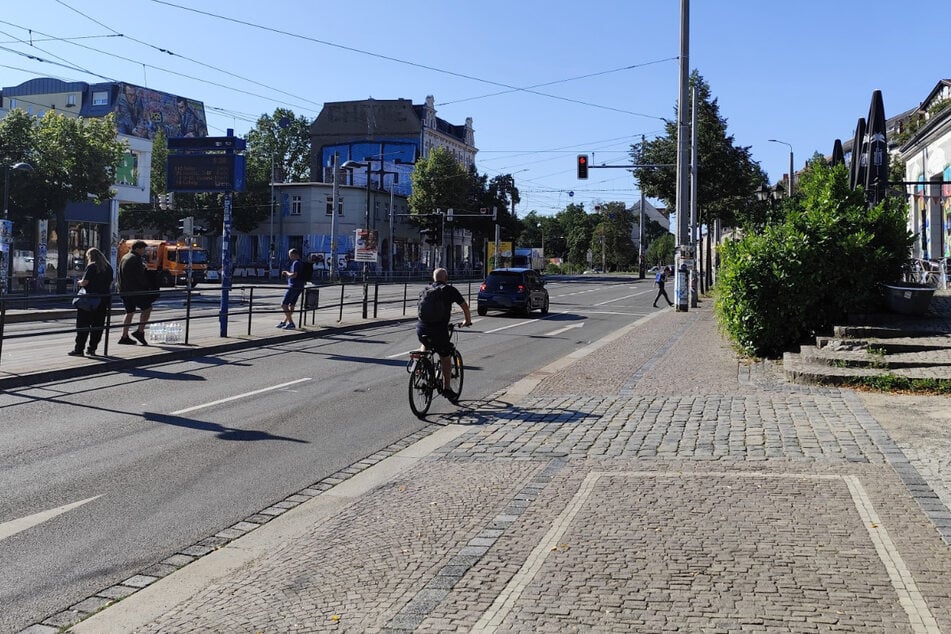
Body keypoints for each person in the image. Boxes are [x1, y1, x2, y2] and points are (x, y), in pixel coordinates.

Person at [416, 267, 472, 400]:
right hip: (439, 330)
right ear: (446, 279)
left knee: (425, 342)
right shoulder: (449, 290)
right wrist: (467, 321)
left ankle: (421, 366)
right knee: (445, 356)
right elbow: (464, 306)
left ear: (433, 278)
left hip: (421, 328)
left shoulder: (425, 290)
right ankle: (447, 387)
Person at [69, 248, 113, 357]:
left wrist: (78, 282)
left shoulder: (92, 266)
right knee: (98, 325)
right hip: (103, 300)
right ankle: (92, 349)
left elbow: (85, 282)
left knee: (83, 325)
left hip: (89, 300)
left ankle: (79, 349)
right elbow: (111, 282)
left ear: (90, 256)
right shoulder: (109, 267)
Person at [117, 240, 155, 345]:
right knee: (147, 308)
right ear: (138, 248)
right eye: (143, 249)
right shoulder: (135, 259)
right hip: (134, 290)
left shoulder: (125, 257)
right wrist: (148, 286)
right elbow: (140, 277)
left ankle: (124, 336)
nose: (144, 251)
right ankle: (140, 331)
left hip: (124, 290)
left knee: (129, 312)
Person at [277, 248, 304, 329]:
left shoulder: (296, 263)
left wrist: (286, 273)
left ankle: (291, 323)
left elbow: (294, 275)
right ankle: (285, 322)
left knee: (284, 304)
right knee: (292, 305)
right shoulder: (302, 263)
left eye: (290, 255)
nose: (290, 257)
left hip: (293, 285)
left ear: (293, 255)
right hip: (300, 286)